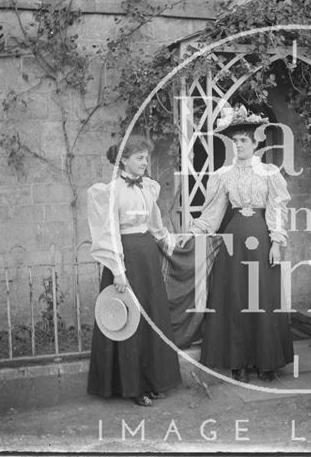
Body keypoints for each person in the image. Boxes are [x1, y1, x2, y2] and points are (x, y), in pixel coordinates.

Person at [187, 105, 293, 383]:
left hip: (260, 236)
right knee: (236, 297)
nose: (239, 145)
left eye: (244, 140)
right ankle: (238, 362)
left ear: (256, 143)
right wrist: (193, 232)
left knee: (262, 297)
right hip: (234, 239)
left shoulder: (270, 172)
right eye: (235, 141)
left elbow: (277, 208)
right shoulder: (223, 174)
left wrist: (276, 242)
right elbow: (213, 212)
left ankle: (266, 362)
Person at [86, 135, 182, 406]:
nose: (144, 162)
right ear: (124, 161)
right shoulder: (110, 191)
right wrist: (117, 270)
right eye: (139, 158)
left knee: (151, 315)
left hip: (147, 257)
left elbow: (154, 222)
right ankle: (133, 386)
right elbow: (109, 233)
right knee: (129, 319)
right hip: (125, 258)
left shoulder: (148, 188)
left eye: (146, 158)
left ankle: (153, 381)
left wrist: (167, 240)